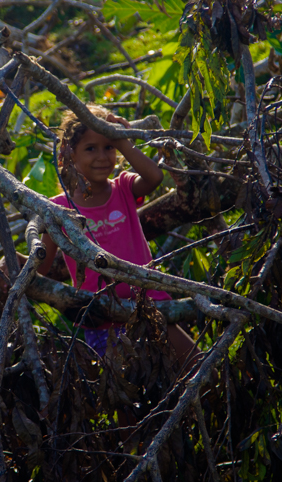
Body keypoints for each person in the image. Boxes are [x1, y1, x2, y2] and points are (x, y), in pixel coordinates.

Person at [39, 105, 198, 363]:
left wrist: (123, 140)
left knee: (196, 367)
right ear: (69, 155)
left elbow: (154, 177)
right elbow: (42, 266)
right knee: (130, 393)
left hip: (150, 305)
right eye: (91, 148)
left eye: (108, 147)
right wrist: (15, 264)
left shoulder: (123, 187)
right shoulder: (58, 208)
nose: (102, 156)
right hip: (104, 319)